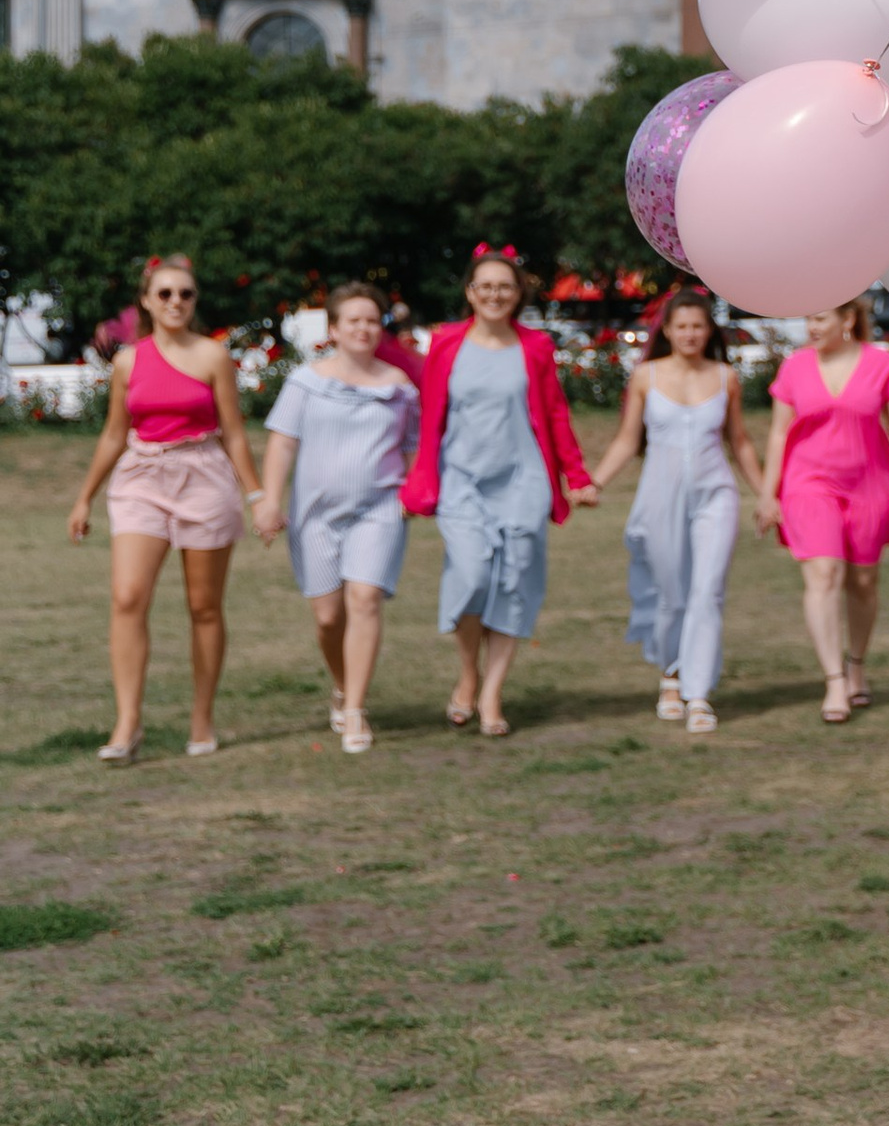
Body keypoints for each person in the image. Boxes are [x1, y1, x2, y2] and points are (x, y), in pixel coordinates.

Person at [67, 252, 262, 764]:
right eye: (166, 293)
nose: (176, 302)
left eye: (186, 294)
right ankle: (128, 723)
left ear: (194, 301)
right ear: (147, 302)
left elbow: (235, 435)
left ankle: (202, 718)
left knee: (203, 606)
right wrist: (84, 496)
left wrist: (258, 496)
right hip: (142, 478)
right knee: (128, 597)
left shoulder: (213, 356)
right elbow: (114, 434)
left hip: (203, 476)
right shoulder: (129, 361)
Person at [400, 250, 594, 736]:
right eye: (484, 286)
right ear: (469, 292)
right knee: (471, 575)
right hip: (462, 480)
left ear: (518, 294)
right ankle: (468, 674)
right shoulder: (446, 343)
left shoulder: (536, 347)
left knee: (514, 581)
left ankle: (491, 694)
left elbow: (554, 415)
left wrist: (577, 475)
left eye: (504, 287)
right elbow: (429, 413)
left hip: (522, 480)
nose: (494, 294)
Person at [252, 283, 421, 753]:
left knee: (365, 599)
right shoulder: (306, 381)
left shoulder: (400, 387)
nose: (364, 329)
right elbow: (283, 442)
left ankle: (355, 711)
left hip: (379, 509)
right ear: (334, 329)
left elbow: (411, 448)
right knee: (328, 618)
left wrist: (412, 494)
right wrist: (269, 501)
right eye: (354, 321)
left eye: (372, 320)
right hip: (315, 515)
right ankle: (343, 685)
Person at [589, 288, 758, 734]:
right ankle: (670, 674)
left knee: (708, 591)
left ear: (709, 331)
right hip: (659, 496)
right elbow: (628, 439)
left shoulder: (726, 378)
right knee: (671, 593)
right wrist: (595, 482)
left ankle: (698, 693)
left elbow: (738, 442)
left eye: (698, 326)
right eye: (681, 326)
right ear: (667, 330)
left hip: (715, 495)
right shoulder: (646, 376)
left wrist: (766, 494)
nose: (689, 334)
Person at [763, 299, 889, 720]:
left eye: (819, 318)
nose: (810, 327)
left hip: (871, 485)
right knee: (824, 574)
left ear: (847, 318)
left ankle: (856, 665)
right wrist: (768, 493)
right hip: (808, 485)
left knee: (864, 582)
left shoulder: (881, 365)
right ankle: (834, 682)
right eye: (807, 318)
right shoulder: (794, 368)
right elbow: (779, 434)